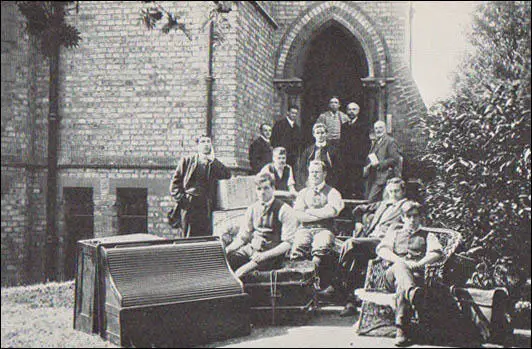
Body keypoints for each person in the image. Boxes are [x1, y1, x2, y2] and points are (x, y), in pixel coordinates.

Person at [337, 177, 409, 317]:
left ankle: (336, 283)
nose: (393, 195)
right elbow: (358, 209)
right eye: (390, 192)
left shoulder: (406, 206)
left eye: (396, 192)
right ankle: (350, 302)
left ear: (403, 191)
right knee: (355, 261)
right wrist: (359, 223)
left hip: (385, 242)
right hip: (371, 240)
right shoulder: (383, 204)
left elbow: (410, 223)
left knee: (350, 243)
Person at [376, 201, 443, 346]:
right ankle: (413, 293)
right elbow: (382, 250)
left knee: (403, 287)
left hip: (416, 275)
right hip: (391, 274)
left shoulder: (428, 235)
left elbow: (436, 253)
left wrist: (419, 264)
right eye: (409, 216)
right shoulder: (394, 233)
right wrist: (400, 261)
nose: (412, 220)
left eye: (416, 216)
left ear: (420, 218)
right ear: (402, 217)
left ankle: (401, 331)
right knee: (400, 269)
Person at [225, 172, 298, 278]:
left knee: (240, 273)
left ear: (273, 188)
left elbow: (287, 243)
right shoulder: (252, 208)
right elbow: (243, 237)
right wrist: (228, 249)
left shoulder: (284, 210)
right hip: (252, 250)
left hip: (271, 255)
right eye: (259, 189)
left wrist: (264, 256)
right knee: (225, 262)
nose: (262, 193)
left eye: (266, 188)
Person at [290, 160, 344, 293]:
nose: (314, 175)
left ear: (324, 174)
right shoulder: (303, 193)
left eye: (317, 172)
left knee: (321, 246)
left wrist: (309, 211)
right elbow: (298, 215)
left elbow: (332, 211)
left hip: (324, 229)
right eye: (312, 172)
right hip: (305, 229)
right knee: (298, 246)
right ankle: (300, 286)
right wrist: (320, 213)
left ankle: (314, 282)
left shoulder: (332, 192)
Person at [169, 135, 231, 238]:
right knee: (188, 236)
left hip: (206, 206)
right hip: (190, 205)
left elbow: (227, 175)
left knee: (205, 236)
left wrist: (214, 161)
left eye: (208, 141)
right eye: (203, 142)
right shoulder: (187, 161)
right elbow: (175, 185)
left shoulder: (213, 163)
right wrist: (183, 200)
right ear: (197, 145)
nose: (206, 144)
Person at [363, 120, 402, 203]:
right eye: (376, 128)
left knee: (371, 200)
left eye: (380, 127)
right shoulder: (376, 142)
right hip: (374, 176)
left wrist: (380, 164)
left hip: (385, 176)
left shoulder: (390, 141)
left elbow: (395, 159)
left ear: (385, 129)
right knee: (371, 200)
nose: (378, 130)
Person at [297, 123, 341, 191]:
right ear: (314, 134)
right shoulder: (308, 151)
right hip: (311, 185)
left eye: (322, 133)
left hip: (329, 185)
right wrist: (306, 182)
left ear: (326, 134)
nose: (320, 135)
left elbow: (338, 170)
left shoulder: (333, 151)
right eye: (317, 133)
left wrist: (331, 185)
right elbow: (302, 169)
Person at [340, 102, 369, 199]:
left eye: (354, 109)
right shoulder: (344, 126)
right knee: (346, 183)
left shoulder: (363, 125)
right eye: (349, 109)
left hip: (358, 160)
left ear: (358, 111)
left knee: (357, 184)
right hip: (346, 160)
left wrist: (362, 158)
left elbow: (366, 144)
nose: (351, 112)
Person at [271, 105, 302, 170]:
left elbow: (298, 144)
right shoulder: (279, 125)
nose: (294, 115)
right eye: (292, 113)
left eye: (296, 113)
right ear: (288, 113)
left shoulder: (297, 128)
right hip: (281, 157)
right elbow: (274, 140)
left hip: (292, 159)